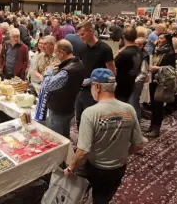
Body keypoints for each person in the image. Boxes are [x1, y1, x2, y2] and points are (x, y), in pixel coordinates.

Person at [64, 68, 147, 204]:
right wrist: (121, 154)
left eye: (91, 86)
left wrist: (71, 168)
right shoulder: (129, 109)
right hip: (117, 168)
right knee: (102, 199)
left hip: (95, 167)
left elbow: (83, 151)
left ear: (97, 87)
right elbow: (139, 144)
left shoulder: (90, 113)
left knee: (75, 192)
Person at [75, 21, 116, 130]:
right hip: (82, 89)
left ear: (91, 31)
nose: (80, 37)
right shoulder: (82, 48)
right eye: (79, 35)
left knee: (93, 120)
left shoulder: (105, 49)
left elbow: (112, 73)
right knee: (79, 118)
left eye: (82, 34)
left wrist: (93, 81)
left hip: (97, 91)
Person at [41, 40, 84, 138]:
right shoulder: (79, 63)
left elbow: (47, 85)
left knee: (58, 138)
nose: (55, 56)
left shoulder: (67, 71)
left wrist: (49, 71)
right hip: (68, 106)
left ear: (62, 53)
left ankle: (61, 153)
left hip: (59, 109)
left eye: (56, 53)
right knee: (64, 134)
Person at [144, 33, 176, 137]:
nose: (159, 39)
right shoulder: (156, 50)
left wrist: (157, 68)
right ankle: (152, 125)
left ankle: (157, 128)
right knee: (153, 104)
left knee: (158, 105)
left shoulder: (170, 52)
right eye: (159, 38)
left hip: (162, 81)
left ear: (167, 40)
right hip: (153, 79)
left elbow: (171, 68)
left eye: (162, 38)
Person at [114, 27, 142, 103]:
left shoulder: (124, 54)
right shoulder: (138, 50)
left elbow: (112, 65)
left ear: (123, 36)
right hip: (131, 83)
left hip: (120, 87)